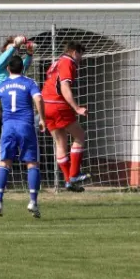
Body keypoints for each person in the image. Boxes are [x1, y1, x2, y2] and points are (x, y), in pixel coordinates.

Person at [0, 55, 45, 218]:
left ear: (8, 69)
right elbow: (38, 99)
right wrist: (42, 118)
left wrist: (5, 113)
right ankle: (33, 202)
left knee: (5, 163)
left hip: (8, 128)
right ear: (22, 68)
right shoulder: (29, 83)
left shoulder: (1, 86)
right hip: (25, 126)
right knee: (32, 163)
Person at [0, 35, 36, 174]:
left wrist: (29, 53)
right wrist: (14, 46)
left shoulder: (13, 70)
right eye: (8, 50)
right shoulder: (0, 65)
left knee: (1, 137)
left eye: (14, 50)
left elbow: (25, 65)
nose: (11, 53)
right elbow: (4, 58)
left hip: (2, 103)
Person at [42, 41, 90, 192]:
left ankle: (68, 181)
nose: (81, 58)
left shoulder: (56, 63)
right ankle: (74, 174)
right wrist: (77, 108)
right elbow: (64, 86)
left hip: (45, 104)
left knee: (60, 142)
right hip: (57, 104)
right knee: (80, 136)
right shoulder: (67, 62)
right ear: (75, 52)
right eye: (81, 54)